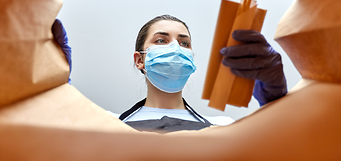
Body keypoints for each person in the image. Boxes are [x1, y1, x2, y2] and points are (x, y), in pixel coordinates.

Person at [52, 15, 287, 133]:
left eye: (184, 44)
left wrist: (275, 100)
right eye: (162, 40)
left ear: (191, 60)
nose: (175, 48)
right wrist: (54, 86)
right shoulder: (105, 124)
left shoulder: (222, 127)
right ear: (140, 60)